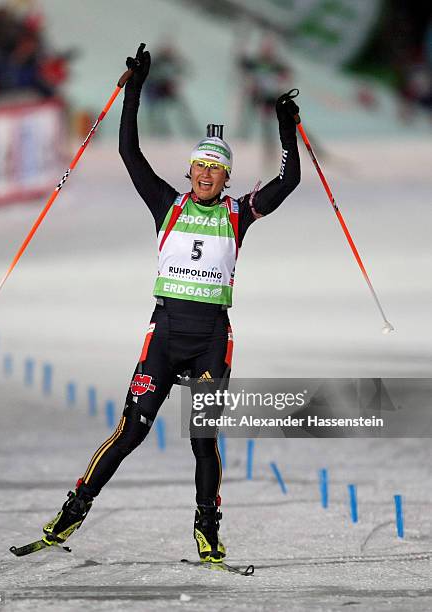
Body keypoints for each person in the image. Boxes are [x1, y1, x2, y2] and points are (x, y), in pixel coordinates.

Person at [41, 44, 301, 563]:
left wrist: (284, 124)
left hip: (210, 341)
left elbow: (289, 179)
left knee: (203, 441)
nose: (206, 174)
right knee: (131, 430)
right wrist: (134, 87)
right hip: (164, 335)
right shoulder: (167, 204)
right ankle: (75, 508)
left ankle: (207, 528)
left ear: (227, 177)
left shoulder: (239, 214)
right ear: (191, 172)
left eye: (216, 169)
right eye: (200, 167)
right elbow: (128, 154)